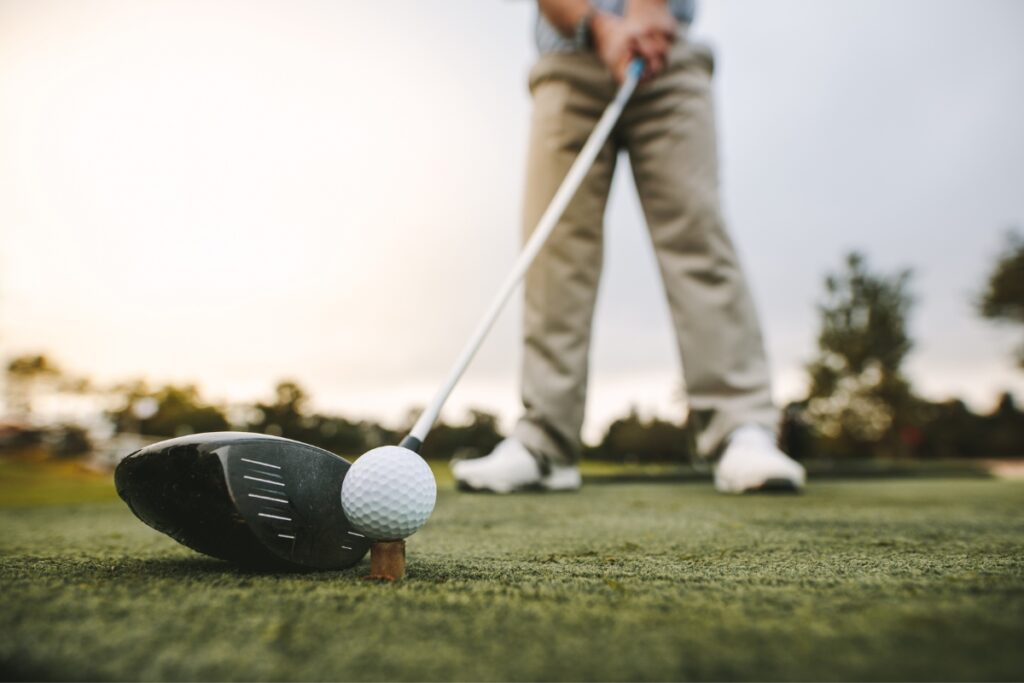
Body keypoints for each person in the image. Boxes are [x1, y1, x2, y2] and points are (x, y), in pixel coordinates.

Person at [452, 0, 806, 494]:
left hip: (664, 54)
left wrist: (646, 10)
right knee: (554, 250)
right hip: (569, 61)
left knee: (696, 235)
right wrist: (598, 24)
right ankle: (544, 443)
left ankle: (741, 428)